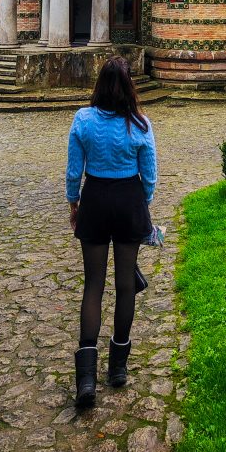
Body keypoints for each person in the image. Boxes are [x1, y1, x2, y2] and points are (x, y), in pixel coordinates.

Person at [66, 56, 158, 406]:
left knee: (93, 285)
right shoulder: (139, 123)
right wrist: (141, 204)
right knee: (124, 288)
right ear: (129, 88)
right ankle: (117, 368)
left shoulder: (83, 119)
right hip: (128, 200)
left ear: (99, 85)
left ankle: (86, 381)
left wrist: (74, 203)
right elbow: (149, 174)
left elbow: (75, 169)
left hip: (96, 199)